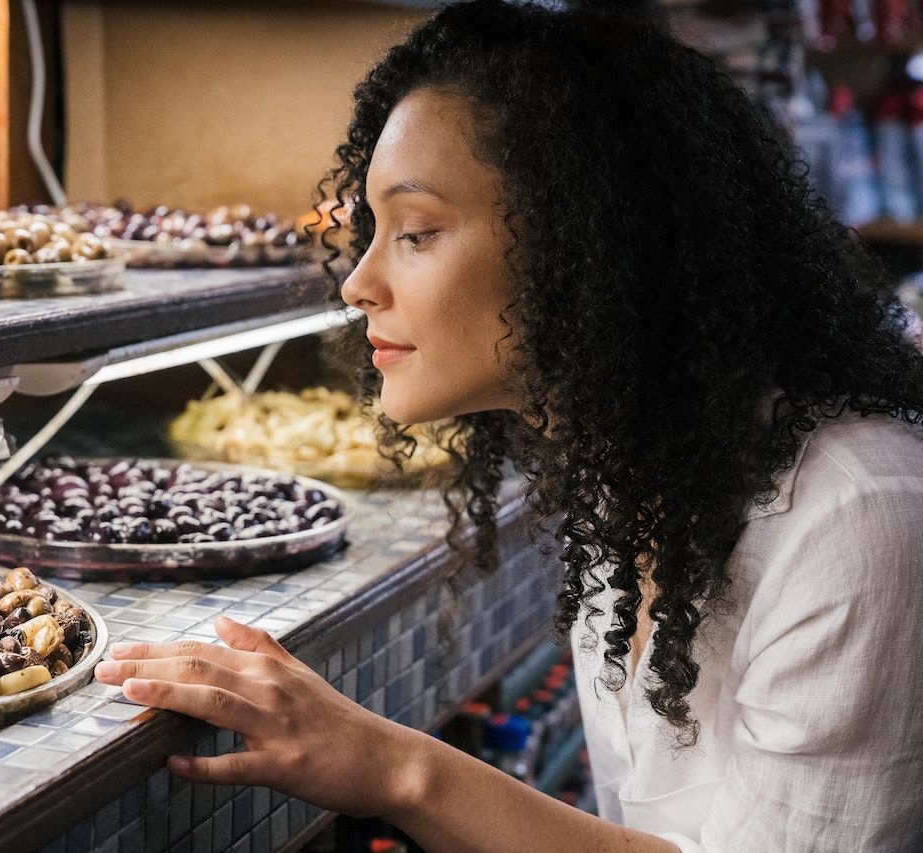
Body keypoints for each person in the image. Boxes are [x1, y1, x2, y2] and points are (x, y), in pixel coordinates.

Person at [95, 2, 923, 850]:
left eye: (416, 232)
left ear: (584, 241)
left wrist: (399, 770)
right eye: (369, 231)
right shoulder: (624, 466)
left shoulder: (859, 520)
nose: (358, 284)